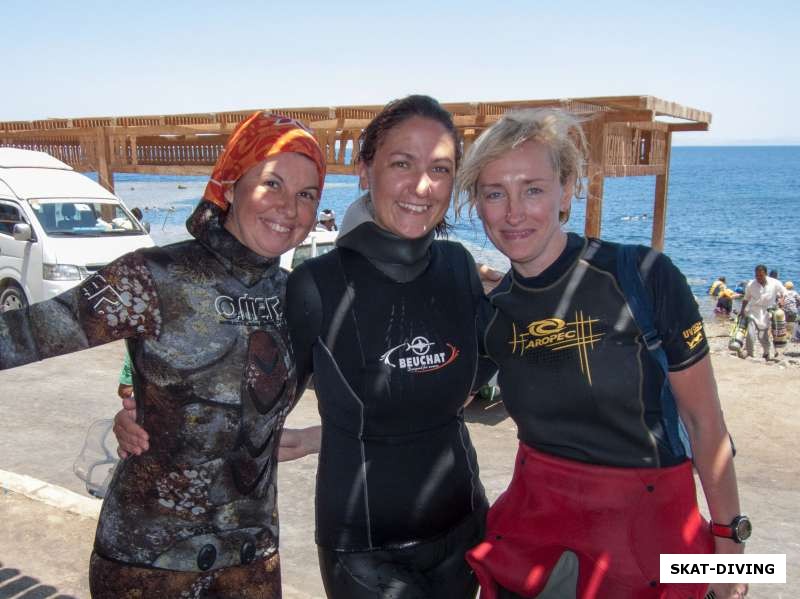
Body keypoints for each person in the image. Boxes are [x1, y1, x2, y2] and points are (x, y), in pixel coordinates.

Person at [115, 95, 493, 599]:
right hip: (366, 549)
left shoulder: (459, 267)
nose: (422, 185)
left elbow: (477, 379)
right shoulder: (316, 285)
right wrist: (150, 415)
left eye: (439, 168)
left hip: (465, 529)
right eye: (402, 163)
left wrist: (327, 434)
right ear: (365, 171)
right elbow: (234, 396)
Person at [0, 112, 326, 598]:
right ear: (230, 185)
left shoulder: (301, 297)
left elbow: (382, 392)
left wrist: (322, 437)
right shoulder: (152, 277)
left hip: (250, 558)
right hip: (145, 560)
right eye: (272, 184)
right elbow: (23, 334)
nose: (289, 207)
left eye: (307, 194)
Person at [455, 108, 747, 599]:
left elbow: (705, 423)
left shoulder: (643, 276)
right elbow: (436, 401)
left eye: (533, 189)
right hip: (536, 544)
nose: (514, 213)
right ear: (478, 204)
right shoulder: (494, 311)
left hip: (651, 542)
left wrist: (731, 554)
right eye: (494, 193)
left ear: (567, 189)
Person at [740, 264, 785, 360]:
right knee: (750, 333)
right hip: (752, 310)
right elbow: (746, 298)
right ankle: (750, 353)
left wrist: (782, 300)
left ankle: (766, 352)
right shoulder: (751, 284)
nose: (758, 277)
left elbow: (784, 292)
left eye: (761, 275)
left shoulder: (774, 283)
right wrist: (742, 311)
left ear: (766, 274)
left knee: (762, 336)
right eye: (756, 275)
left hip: (766, 312)